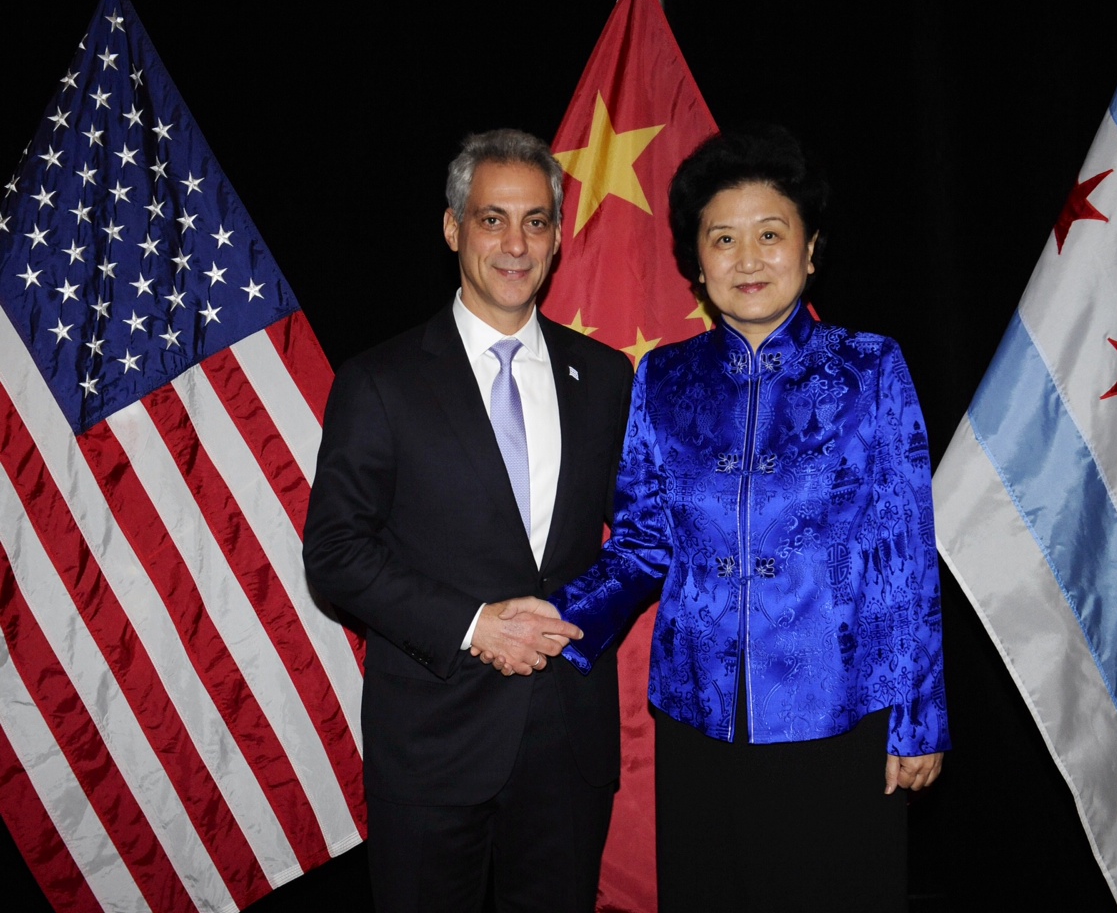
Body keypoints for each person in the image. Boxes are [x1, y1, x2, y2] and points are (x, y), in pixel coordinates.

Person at [491, 125, 949, 911]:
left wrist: (920, 717)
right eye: (723, 239)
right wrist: (559, 617)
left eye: (771, 235)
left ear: (810, 250)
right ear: (697, 265)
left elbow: (904, 556)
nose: (747, 259)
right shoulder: (664, 379)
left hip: (841, 714)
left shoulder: (871, 368)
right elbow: (641, 541)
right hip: (700, 716)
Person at [302, 129, 633, 913]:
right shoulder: (379, 382)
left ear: (557, 236)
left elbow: (644, 534)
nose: (515, 244)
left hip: (568, 747)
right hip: (432, 744)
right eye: (492, 220)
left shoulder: (608, 377)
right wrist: (474, 625)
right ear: (453, 229)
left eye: (537, 222)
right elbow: (336, 553)